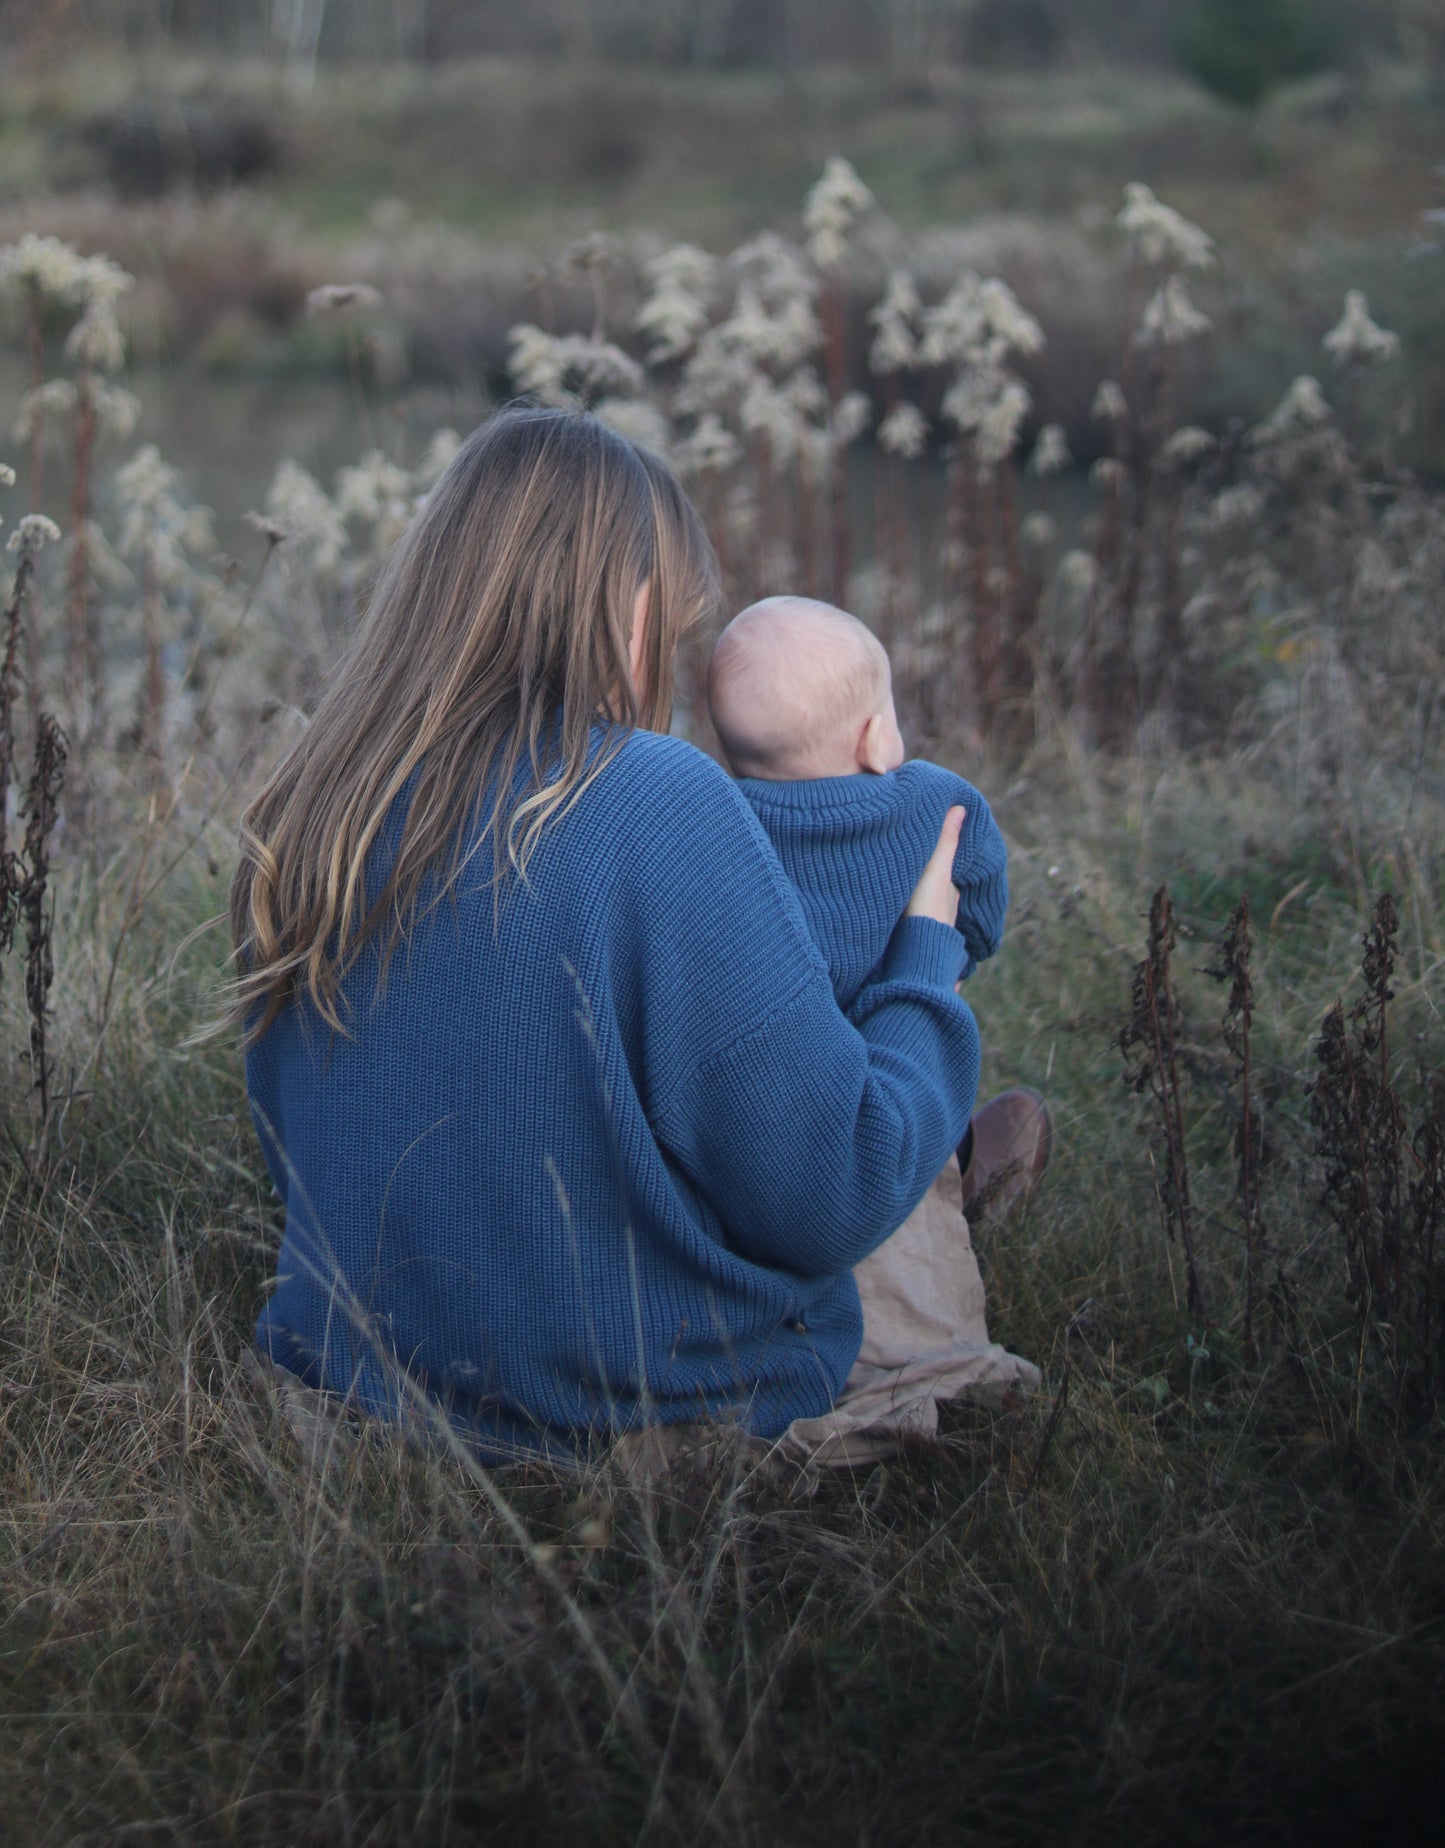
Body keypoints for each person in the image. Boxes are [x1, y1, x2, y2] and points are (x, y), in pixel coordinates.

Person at [232, 407, 1021, 1464]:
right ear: (625, 600)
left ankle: (953, 1151)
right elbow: (833, 1197)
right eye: (676, 620)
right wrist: (925, 954)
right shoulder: (653, 800)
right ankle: (947, 1154)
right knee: (874, 1148)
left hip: (361, 1375)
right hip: (620, 1404)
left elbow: (306, 1145)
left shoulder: (306, 805)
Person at [706, 595, 1048, 1462]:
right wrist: (946, 949)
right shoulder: (936, 803)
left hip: (759, 1100)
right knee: (910, 1130)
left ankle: (957, 1173)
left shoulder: (713, 827)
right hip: (872, 1085)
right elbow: (981, 910)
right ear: (875, 737)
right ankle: (934, 1306)